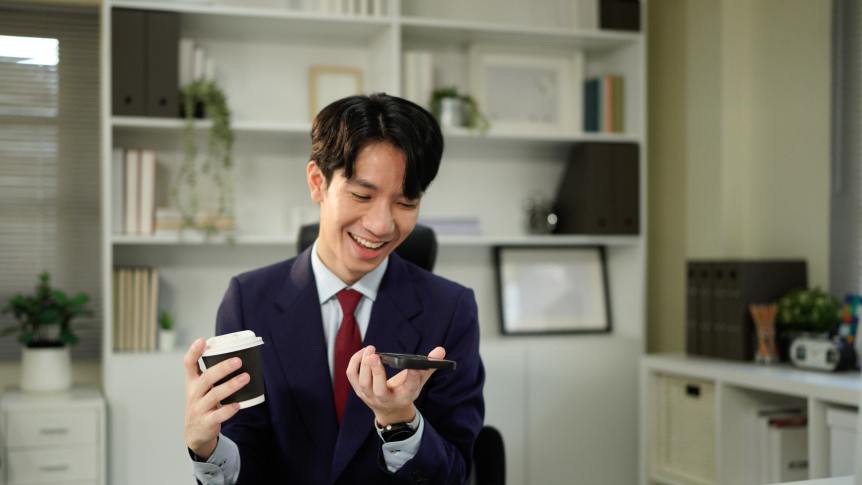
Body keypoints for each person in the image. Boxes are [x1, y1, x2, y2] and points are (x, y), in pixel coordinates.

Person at [182, 93, 485, 484]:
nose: (381, 225)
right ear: (317, 183)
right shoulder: (247, 301)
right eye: (362, 195)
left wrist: (401, 422)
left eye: (406, 202)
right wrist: (205, 446)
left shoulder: (451, 309)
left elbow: (455, 474)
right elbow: (246, 459)